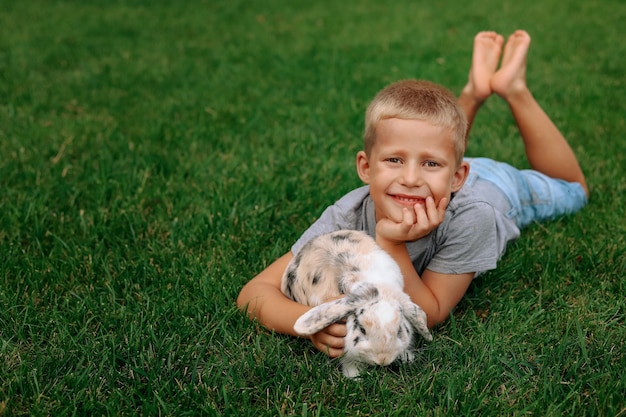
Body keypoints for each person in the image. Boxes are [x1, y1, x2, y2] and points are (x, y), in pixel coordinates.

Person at [236, 30, 589, 359]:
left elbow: (431, 312)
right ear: (366, 168)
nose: (409, 179)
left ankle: (513, 89)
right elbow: (255, 292)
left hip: (501, 188)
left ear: (457, 177)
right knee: (434, 140)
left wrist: (391, 245)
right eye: (393, 160)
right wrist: (309, 321)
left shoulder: (474, 218)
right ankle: (475, 91)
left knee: (575, 192)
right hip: (450, 168)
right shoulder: (348, 215)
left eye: (429, 165)